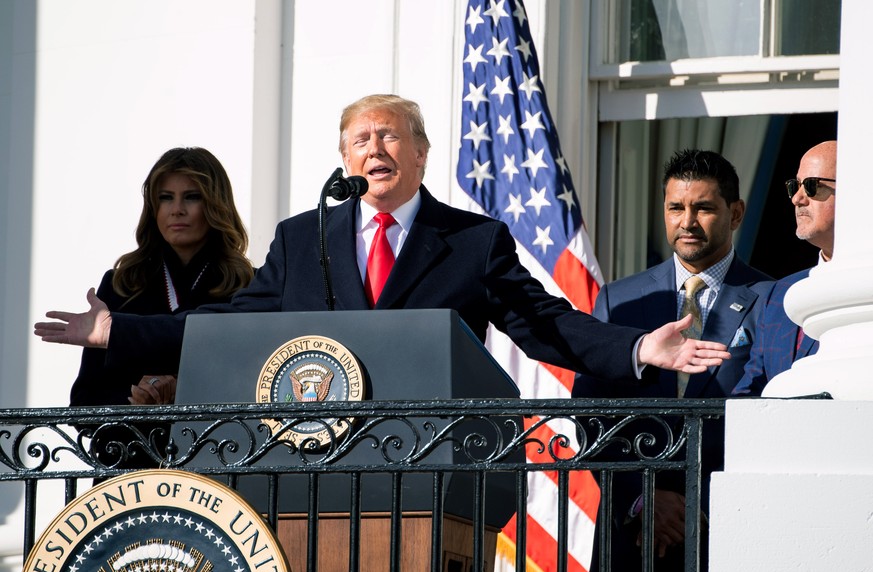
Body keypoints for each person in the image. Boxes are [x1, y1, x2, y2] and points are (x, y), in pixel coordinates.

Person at [35, 95, 730, 395]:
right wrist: (117, 331)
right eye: (360, 139)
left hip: (430, 468)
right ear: (344, 157)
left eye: (389, 134)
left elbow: (543, 323)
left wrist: (638, 347)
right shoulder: (302, 238)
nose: (375, 147)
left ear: (422, 153)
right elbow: (225, 325)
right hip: (315, 467)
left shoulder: (471, 240)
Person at [572, 149, 774, 572]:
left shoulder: (772, 299)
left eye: (704, 207)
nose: (687, 222)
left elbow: (772, 413)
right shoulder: (620, 300)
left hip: (728, 529)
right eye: (676, 207)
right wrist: (644, 498)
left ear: (735, 213)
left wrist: (692, 506)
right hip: (631, 536)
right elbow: (589, 412)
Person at [71, 146, 254, 469]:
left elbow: (254, 392)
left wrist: (179, 393)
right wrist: (135, 402)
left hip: (216, 474)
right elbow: (84, 404)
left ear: (214, 204)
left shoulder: (247, 286)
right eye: (166, 198)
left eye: (192, 197)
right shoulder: (120, 284)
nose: (177, 210)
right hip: (129, 473)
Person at [733, 140, 837, 396]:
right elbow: (752, 388)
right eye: (795, 186)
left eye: (812, 186)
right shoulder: (781, 292)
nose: (797, 199)